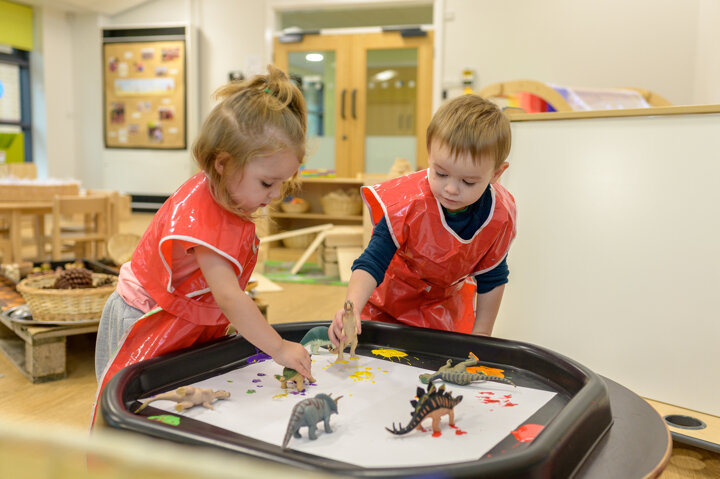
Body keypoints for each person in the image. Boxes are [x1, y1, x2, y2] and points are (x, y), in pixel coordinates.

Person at [91, 65, 311, 426]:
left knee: (176, 404)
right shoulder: (204, 214)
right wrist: (278, 346)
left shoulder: (226, 191)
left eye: (282, 184)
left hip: (177, 314)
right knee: (133, 411)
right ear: (223, 163)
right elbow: (229, 297)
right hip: (143, 316)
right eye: (266, 183)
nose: (274, 195)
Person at [329, 94, 516, 345]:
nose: (451, 189)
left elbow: (492, 278)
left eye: (468, 181)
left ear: (496, 174)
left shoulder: (499, 217)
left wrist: (482, 336)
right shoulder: (406, 204)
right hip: (385, 306)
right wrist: (350, 309)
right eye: (440, 173)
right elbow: (372, 261)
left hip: (443, 311)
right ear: (429, 154)